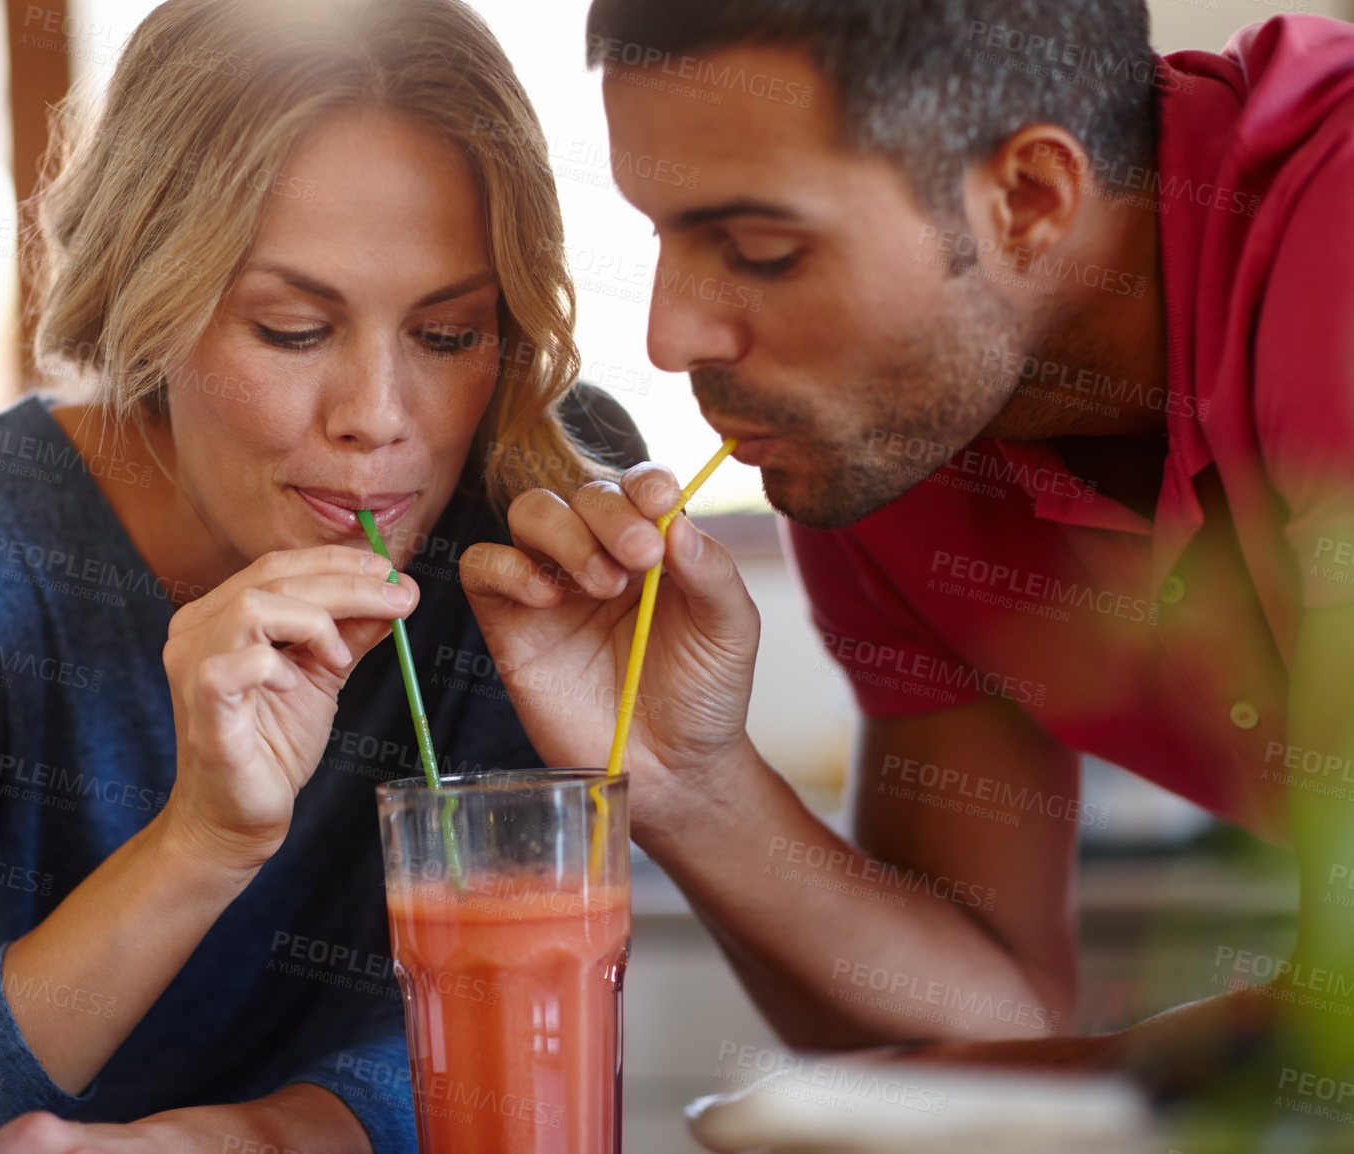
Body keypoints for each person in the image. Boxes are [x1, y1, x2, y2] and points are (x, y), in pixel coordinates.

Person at [460, 0, 1354, 1124]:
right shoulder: (899, 431)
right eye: (663, 235)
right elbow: (976, 1025)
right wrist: (692, 782)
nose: (670, 336)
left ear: (1028, 198)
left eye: (758, 251)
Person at [0, 1, 645, 1151]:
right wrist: (198, 841)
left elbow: (515, 1046)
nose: (378, 421)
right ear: (152, 299)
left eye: (446, 336)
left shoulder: (540, 501)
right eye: (291, 328)